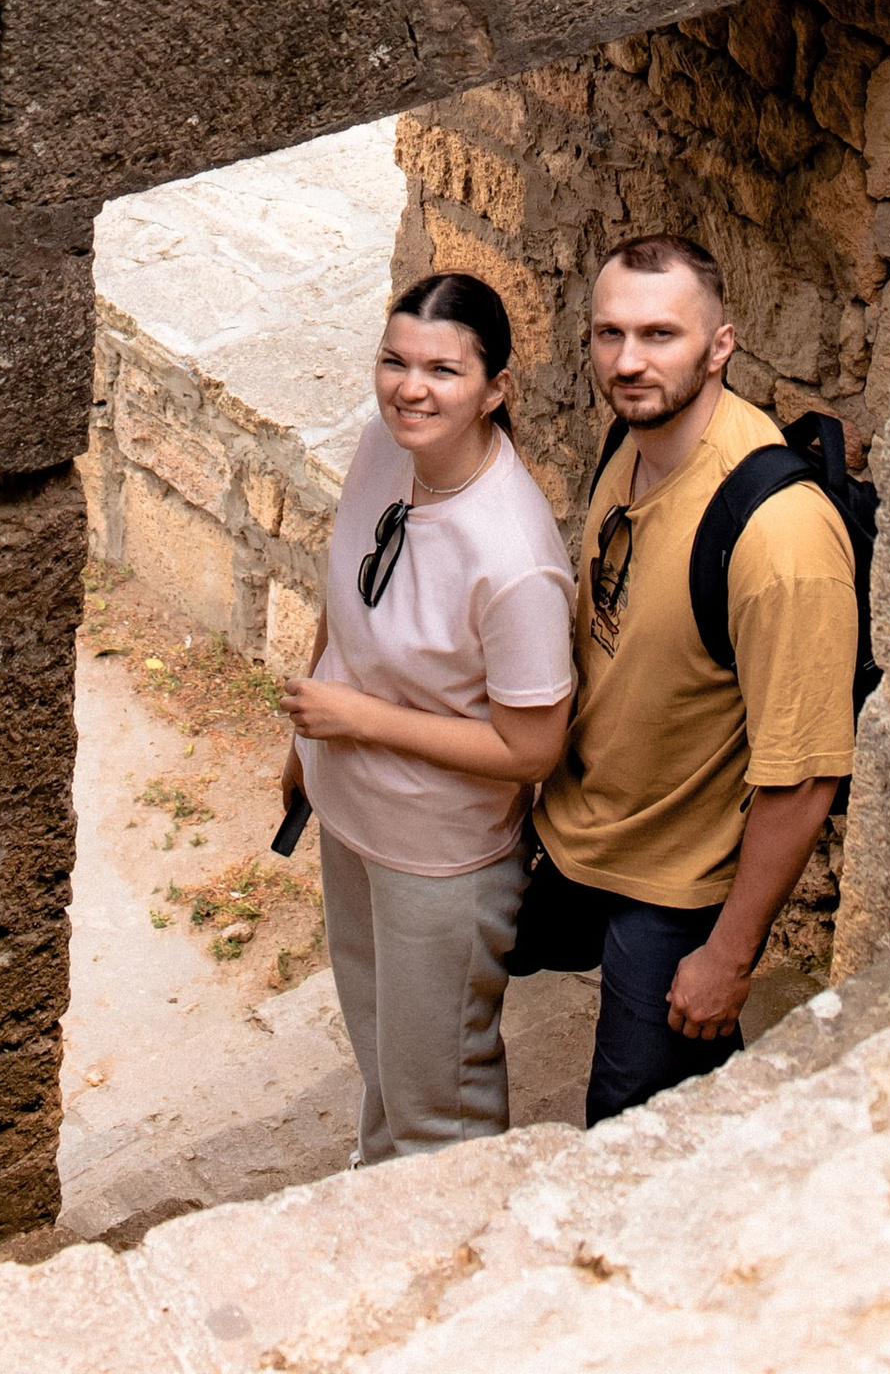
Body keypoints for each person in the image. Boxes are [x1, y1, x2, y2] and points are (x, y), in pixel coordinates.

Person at [521, 239, 857, 1127]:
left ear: (720, 347)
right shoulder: (631, 440)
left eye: (661, 334)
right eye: (610, 333)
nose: (629, 361)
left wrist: (730, 956)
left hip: (681, 883)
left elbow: (807, 772)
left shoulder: (780, 539)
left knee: (636, 1126)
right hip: (588, 823)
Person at [283, 272, 575, 1164]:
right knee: (384, 1055)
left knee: (438, 1101)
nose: (411, 388)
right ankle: (380, 1192)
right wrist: (305, 738)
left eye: (443, 371)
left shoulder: (515, 559)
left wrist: (357, 719)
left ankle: (451, 1249)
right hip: (353, 816)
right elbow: (348, 588)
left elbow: (532, 747)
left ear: (496, 389)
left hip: (440, 859)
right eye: (394, 361)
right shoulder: (383, 446)